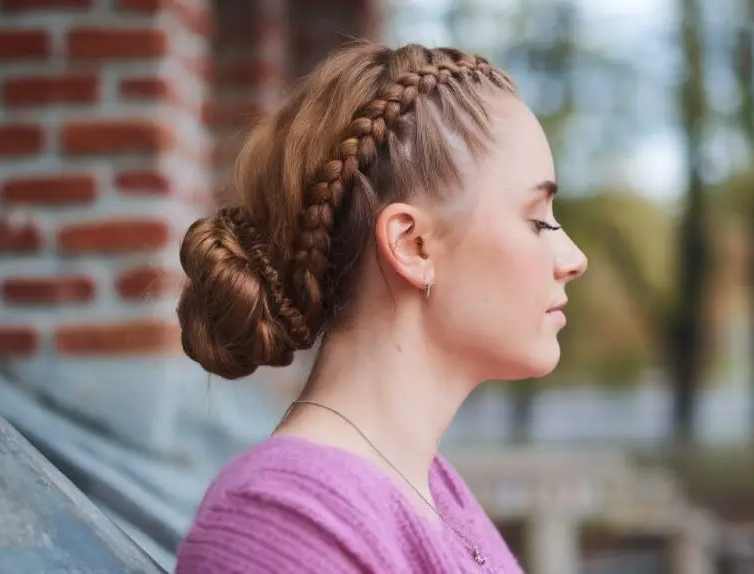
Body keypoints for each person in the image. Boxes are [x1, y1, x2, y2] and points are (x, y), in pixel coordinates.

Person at [173, 41, 587, 573]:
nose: (573, 258)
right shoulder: (287, 526)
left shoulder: (432, 487)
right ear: (413, 246)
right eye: (538, 219)